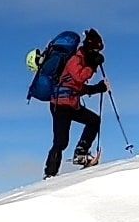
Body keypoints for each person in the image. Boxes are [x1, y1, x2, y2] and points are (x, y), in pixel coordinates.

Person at [45, 28, 109, 178]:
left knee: (94, 120)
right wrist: (93, 67)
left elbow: (75, 88)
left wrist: (97, 88)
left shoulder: (82, 60)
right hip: (60, 106)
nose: (96, 53)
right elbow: (79, 77)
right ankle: (50, 174)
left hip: (70, 104)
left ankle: (81, 152)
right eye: (95, 50)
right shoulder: (75, 59)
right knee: (61, 142)